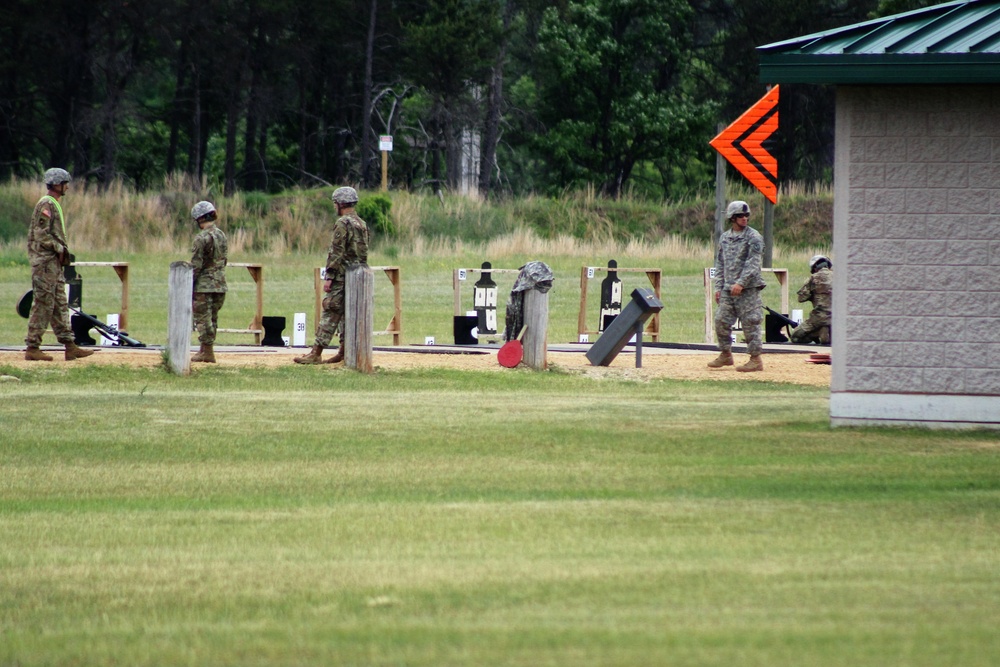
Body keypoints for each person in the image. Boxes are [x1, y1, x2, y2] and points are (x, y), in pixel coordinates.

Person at [23, 168, 96, 362]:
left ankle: (69, 346)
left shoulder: (53, 204)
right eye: (65, 183)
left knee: (60, 304)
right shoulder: (46, 204)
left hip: (53, 264)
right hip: (45, 263)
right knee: (43, 304)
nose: (67, 187)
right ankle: (32, 346)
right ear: (56, 184)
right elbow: (40, 233)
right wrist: (59, 249)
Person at [295, 186, 369, 364]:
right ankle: (344, 351)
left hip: (342, 275)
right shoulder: (361, 223)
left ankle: (316, 352)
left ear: (341, 204)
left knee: (331, 310)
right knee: (347, 314)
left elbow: (336, 251)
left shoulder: (343, 223)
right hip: (358, 275)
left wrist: (330, 276)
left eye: (335, 203)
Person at [708, 200, 766, 372]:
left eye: (746, 215)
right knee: (721, 320)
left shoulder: (754, 237)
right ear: (732, 218)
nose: (744, 218)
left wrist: (741, 283)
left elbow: (753, 263)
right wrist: (719, 287)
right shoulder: (725, 238)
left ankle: (755, 359)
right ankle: (725, 354)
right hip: (728, 289)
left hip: (748, 289)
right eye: (740, 215)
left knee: (751, 322)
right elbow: (720, 264)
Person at [189, 201, 228, 363]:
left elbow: (196, 265)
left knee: (203, 318)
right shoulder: (221, 235)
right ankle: (206, 349)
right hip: (220, 284)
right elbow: (223, 260)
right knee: (212, 318)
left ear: (199, 219)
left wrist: (189, 284)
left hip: (203, 286)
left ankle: (207, 351)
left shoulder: (201, 238)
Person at [790, 255, 832, 345]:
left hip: (818, 318)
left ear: (815, 267)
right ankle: (827, 332)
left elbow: (801, 298)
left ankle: (818, 332)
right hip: (837, 318)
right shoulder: (840, 277)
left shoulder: (813, 278)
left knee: (795, 337)